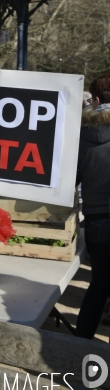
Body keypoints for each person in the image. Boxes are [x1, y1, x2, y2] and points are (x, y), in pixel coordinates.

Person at [75, 73, 110, 339]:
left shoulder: (81, 134)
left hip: (97, 221)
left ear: (95, 100)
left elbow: (72, 178)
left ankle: (81, 345)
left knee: (98, 285)